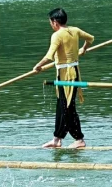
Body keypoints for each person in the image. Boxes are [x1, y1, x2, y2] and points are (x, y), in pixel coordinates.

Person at [33, 8, 95, 149]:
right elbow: (90, 38)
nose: (50, 24)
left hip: (68, 75)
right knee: (61, 106)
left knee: (68, 107)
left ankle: (79, 139)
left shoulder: (57, 35)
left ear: (55, 22)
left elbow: (49, 56)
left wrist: (38, 66)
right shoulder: (75, 30)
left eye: (50, 22)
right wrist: (83, 49)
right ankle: (57, 139)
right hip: (68, 72)